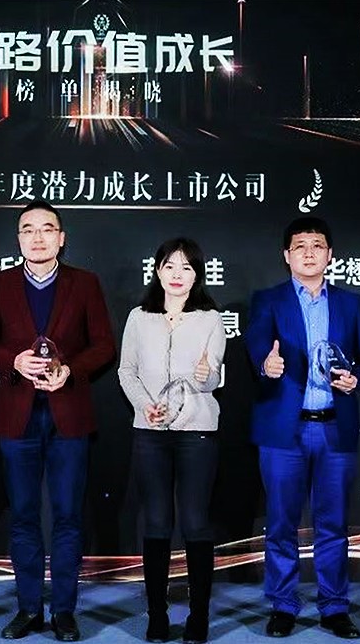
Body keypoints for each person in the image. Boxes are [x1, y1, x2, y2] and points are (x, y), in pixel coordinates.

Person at [0, 200, 115, 642]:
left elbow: (104, 345)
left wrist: (70, 369)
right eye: (28, 229)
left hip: (68, 415)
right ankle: (29, 608)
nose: (37, 237)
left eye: (47, 228)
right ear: (18, 239)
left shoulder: (85, 283)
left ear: (61, 237)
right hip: (17, 418)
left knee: (69, 516)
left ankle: (64, 611)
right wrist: (13, 360)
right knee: (23, 516)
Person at [245, 216, 360, 639]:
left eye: (317, 245)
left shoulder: (349, 303)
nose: (309, 252)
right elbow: (255, 348)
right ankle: (283, 605)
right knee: (281, 523)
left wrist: (357, 377)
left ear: (330, 255)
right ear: (286, 255)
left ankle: (334, 606)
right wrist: (266, 365)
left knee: (333, 524)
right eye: (300, 246)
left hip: (334, 428)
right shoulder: (267, 300)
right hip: (283, 430)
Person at [117, 238, 226, 644]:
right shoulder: (139, 317)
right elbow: (126, 371)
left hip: (197, 432)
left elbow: (215, 377)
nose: (177, 274)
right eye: (169, 266)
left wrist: (205, 376)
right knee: (157, 522)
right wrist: (145, 406)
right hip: (150, 433)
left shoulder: (210, 319)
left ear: (197, 275)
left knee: (195, 522)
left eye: (186, 267)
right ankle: (157, 615)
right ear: (158, 271)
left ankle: (199, 616)